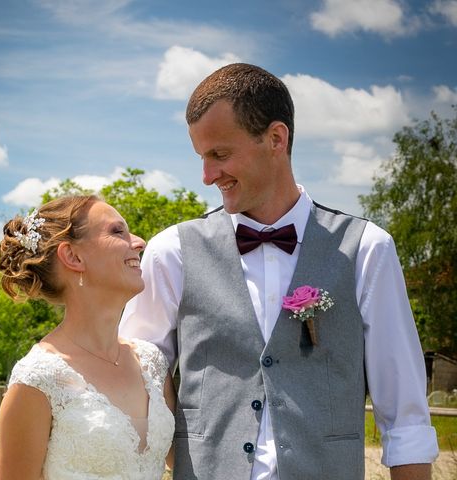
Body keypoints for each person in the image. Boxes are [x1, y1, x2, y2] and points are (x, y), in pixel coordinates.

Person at [119, 63, 438, 480]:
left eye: (220, 154)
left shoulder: (367, 250)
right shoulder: (171, 252)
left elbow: (405, 415)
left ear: (276, 138)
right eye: (202, 157)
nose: (207, 176)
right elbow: (135, 377)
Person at [0, 195, 176, 480]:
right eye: (118, 231)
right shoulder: (38, 379)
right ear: (73, 257)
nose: (139, 242)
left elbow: (188, 461)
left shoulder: (151, 363)